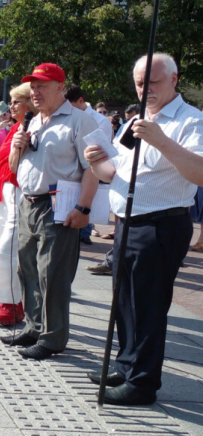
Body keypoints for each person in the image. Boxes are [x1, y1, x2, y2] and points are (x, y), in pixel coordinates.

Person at [83, 54, 203, 405]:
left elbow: (199, 173)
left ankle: (142, 383)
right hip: (127, 223)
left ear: (174, 80)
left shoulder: (190, 120)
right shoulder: (135, 121)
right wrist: (96, 163)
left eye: (153, 81)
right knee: (125, 302)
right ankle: (126, 363)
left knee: (149, 305)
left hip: (161, 224)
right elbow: (115, 173)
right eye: (139, 82)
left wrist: (162, 140)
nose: (145, 88)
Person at [4, 63, 98, 360]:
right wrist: (17, 147)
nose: (35, 92)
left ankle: (53, 337)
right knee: (28, 269)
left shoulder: (80, 121)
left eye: (41, 86)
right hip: (28, 201)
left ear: (60, 87)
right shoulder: (33, 121)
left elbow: (93, 169)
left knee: (53, 275)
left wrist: (83, 208)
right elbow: (13, 168)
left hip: (58, 204)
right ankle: (34, 326)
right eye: (32, 87)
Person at [0, 84, 35, 326]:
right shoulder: (14, 127)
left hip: (20, 192)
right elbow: (2, 167)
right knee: (5, 249)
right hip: (6, 193)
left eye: (17, 101)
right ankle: (9, 300)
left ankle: (11, 303)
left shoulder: (29, 128)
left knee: (9, 248)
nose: (11, 106)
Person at [64, 84, 114, 245]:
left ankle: (85, 232)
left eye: (70, 106)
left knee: (87, 197)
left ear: (80, 100)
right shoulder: (68, 116)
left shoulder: (99, 120)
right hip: (70, 167)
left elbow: (101, 149)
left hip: (90, 166)